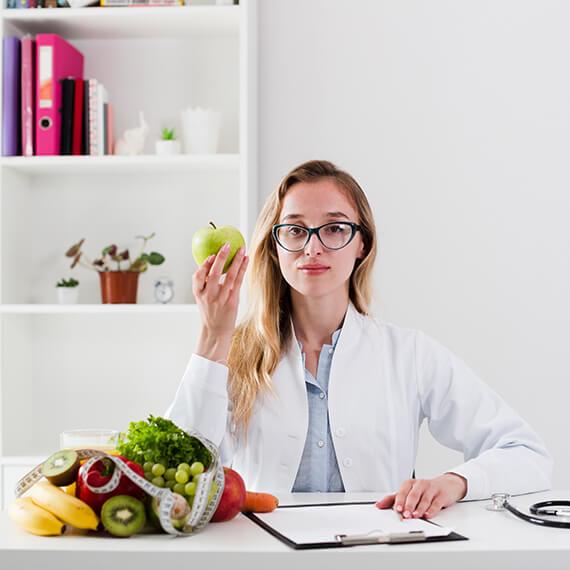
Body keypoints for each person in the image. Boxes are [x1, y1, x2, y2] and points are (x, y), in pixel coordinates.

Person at [165, 160, 552, 520]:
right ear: (274, 246)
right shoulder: (234, 352)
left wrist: (454, 483)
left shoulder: (409, 354)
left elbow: (527, 454)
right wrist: (214, 336)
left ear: (361, 244)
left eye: (334, 228)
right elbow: (172, 473)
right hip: (263, 554)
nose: (312, 247)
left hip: (378, 552)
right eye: (295, 230)